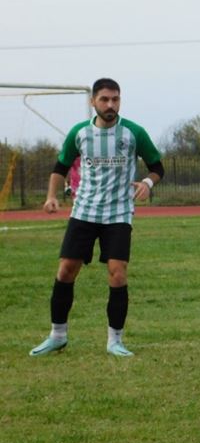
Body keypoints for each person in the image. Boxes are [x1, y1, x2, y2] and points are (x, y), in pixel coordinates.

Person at [29, 78, 163, 358]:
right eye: (104, 99)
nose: (110, 104)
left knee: (117, 272)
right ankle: (57, 336)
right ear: (93, 102)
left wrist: (147, 183)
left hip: (118, 213)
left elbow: (157, 167)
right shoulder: (79, 133)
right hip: (84, 211)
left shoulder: (134, 133)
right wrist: (51, 196)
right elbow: (60, 167)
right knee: (66, 270)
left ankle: (115, 341)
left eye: (115, 99)